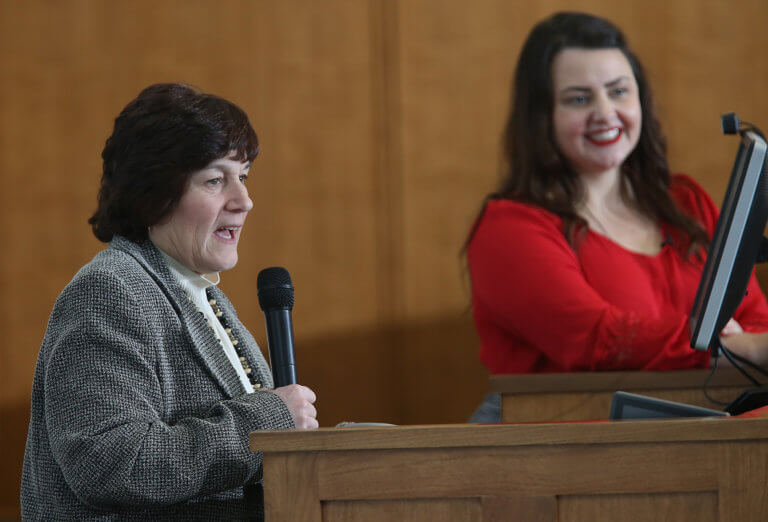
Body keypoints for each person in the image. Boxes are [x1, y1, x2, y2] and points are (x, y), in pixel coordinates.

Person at [21, 83, 318, 520]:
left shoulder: (201, 293)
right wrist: (266, 422)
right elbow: (110, 463)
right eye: (216, 180)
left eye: (244, 176)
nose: (244, 200)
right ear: (154, 192)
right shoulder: (109, 291)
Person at [466, 12, 768, 380]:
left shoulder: (685, 201)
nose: (605, 113)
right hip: (576, 434)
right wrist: (731, 348)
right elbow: (597, 340)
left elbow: (753, 318)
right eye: (579, 99)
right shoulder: (509, 228)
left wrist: (745, 346)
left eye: (619, 91)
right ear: (541, 116)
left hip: (718, 423)